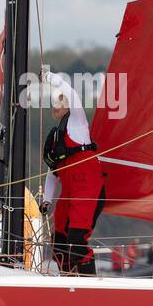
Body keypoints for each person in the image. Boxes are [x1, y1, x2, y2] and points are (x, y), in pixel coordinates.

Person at [41, 73, 106, 275]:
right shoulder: (55, 136)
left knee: (76, 239)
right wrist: (46, 200)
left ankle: (88, 281)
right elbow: (53, 172)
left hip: (88, 188)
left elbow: (73, 95)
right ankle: (66, 279)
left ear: (68, 106)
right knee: (59, 242)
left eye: (60, 102)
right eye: (54, 103)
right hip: (69, 192)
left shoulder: (77, 123)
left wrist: (52, 79)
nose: (55, 106)